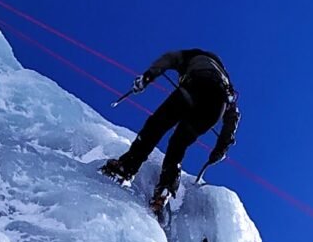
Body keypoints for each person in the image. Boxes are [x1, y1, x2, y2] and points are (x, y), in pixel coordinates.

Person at [99, 49, 240, 218]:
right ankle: (166, 187)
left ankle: (126, 166)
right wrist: (221, 148)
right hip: (216, 106)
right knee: (179, 143)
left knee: (156, 125)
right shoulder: (226, 84)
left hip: (194, 86)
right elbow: (232, 117)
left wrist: (147, 77)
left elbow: (167, 60)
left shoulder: (191, 55)